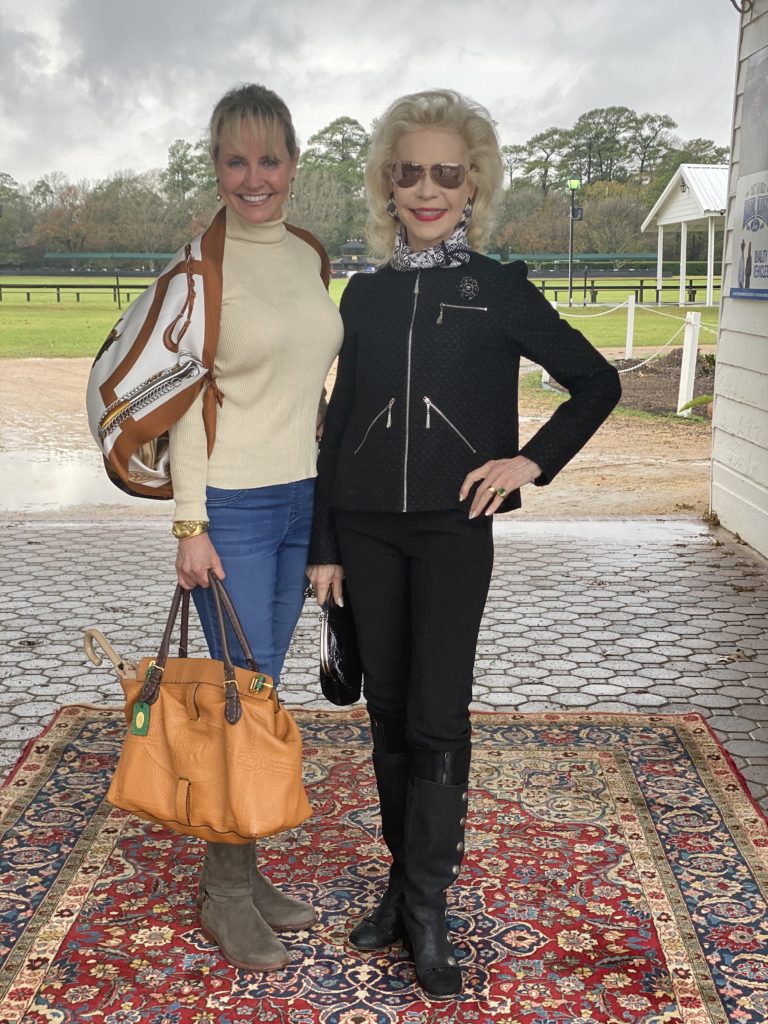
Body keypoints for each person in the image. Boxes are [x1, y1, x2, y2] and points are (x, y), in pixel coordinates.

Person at [307, 89, 621, 1000]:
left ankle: (429, 909)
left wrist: (531, 461)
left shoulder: (502, 289)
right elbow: (336, 424)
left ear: (473, 181)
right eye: (411, 172)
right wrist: (324, 544)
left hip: (452, 534)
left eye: (448, 171)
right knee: (388, 709)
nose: (428, 188)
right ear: (388, 184)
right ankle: (402, 888)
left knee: (439, 715)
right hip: (364, 531)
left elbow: (594, 382)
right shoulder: (362, 295)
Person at [168, 84, 343, 972]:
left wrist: (326, 518)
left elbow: (303, 385)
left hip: (299, 501)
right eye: (234, 160)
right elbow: (180, 401)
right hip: (229, 507)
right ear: (217, 167)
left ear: (292, 163)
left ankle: (241, 869)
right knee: (240, 699)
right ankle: (224, 894)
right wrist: (189, 524)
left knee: (261, 697)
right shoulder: (201, 267)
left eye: (268, 158)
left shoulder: (309, 255)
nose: (253, 177)